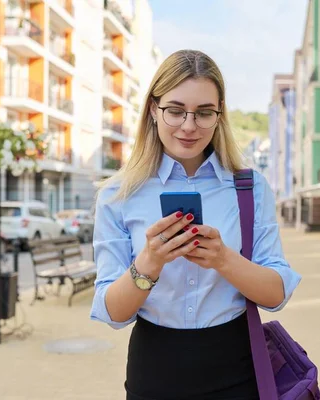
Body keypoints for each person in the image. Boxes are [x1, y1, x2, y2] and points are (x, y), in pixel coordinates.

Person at [90, 49, 302, 400]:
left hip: (238, 366)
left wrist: (223, 259)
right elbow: (113, 313)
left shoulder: (248, 188)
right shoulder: (118, 193)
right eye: (175, 110)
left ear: (219, 116)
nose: (189, 126)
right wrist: (149, 263)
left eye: (204, 112)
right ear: (153, 111)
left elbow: (276, 295)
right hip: (153, 367)